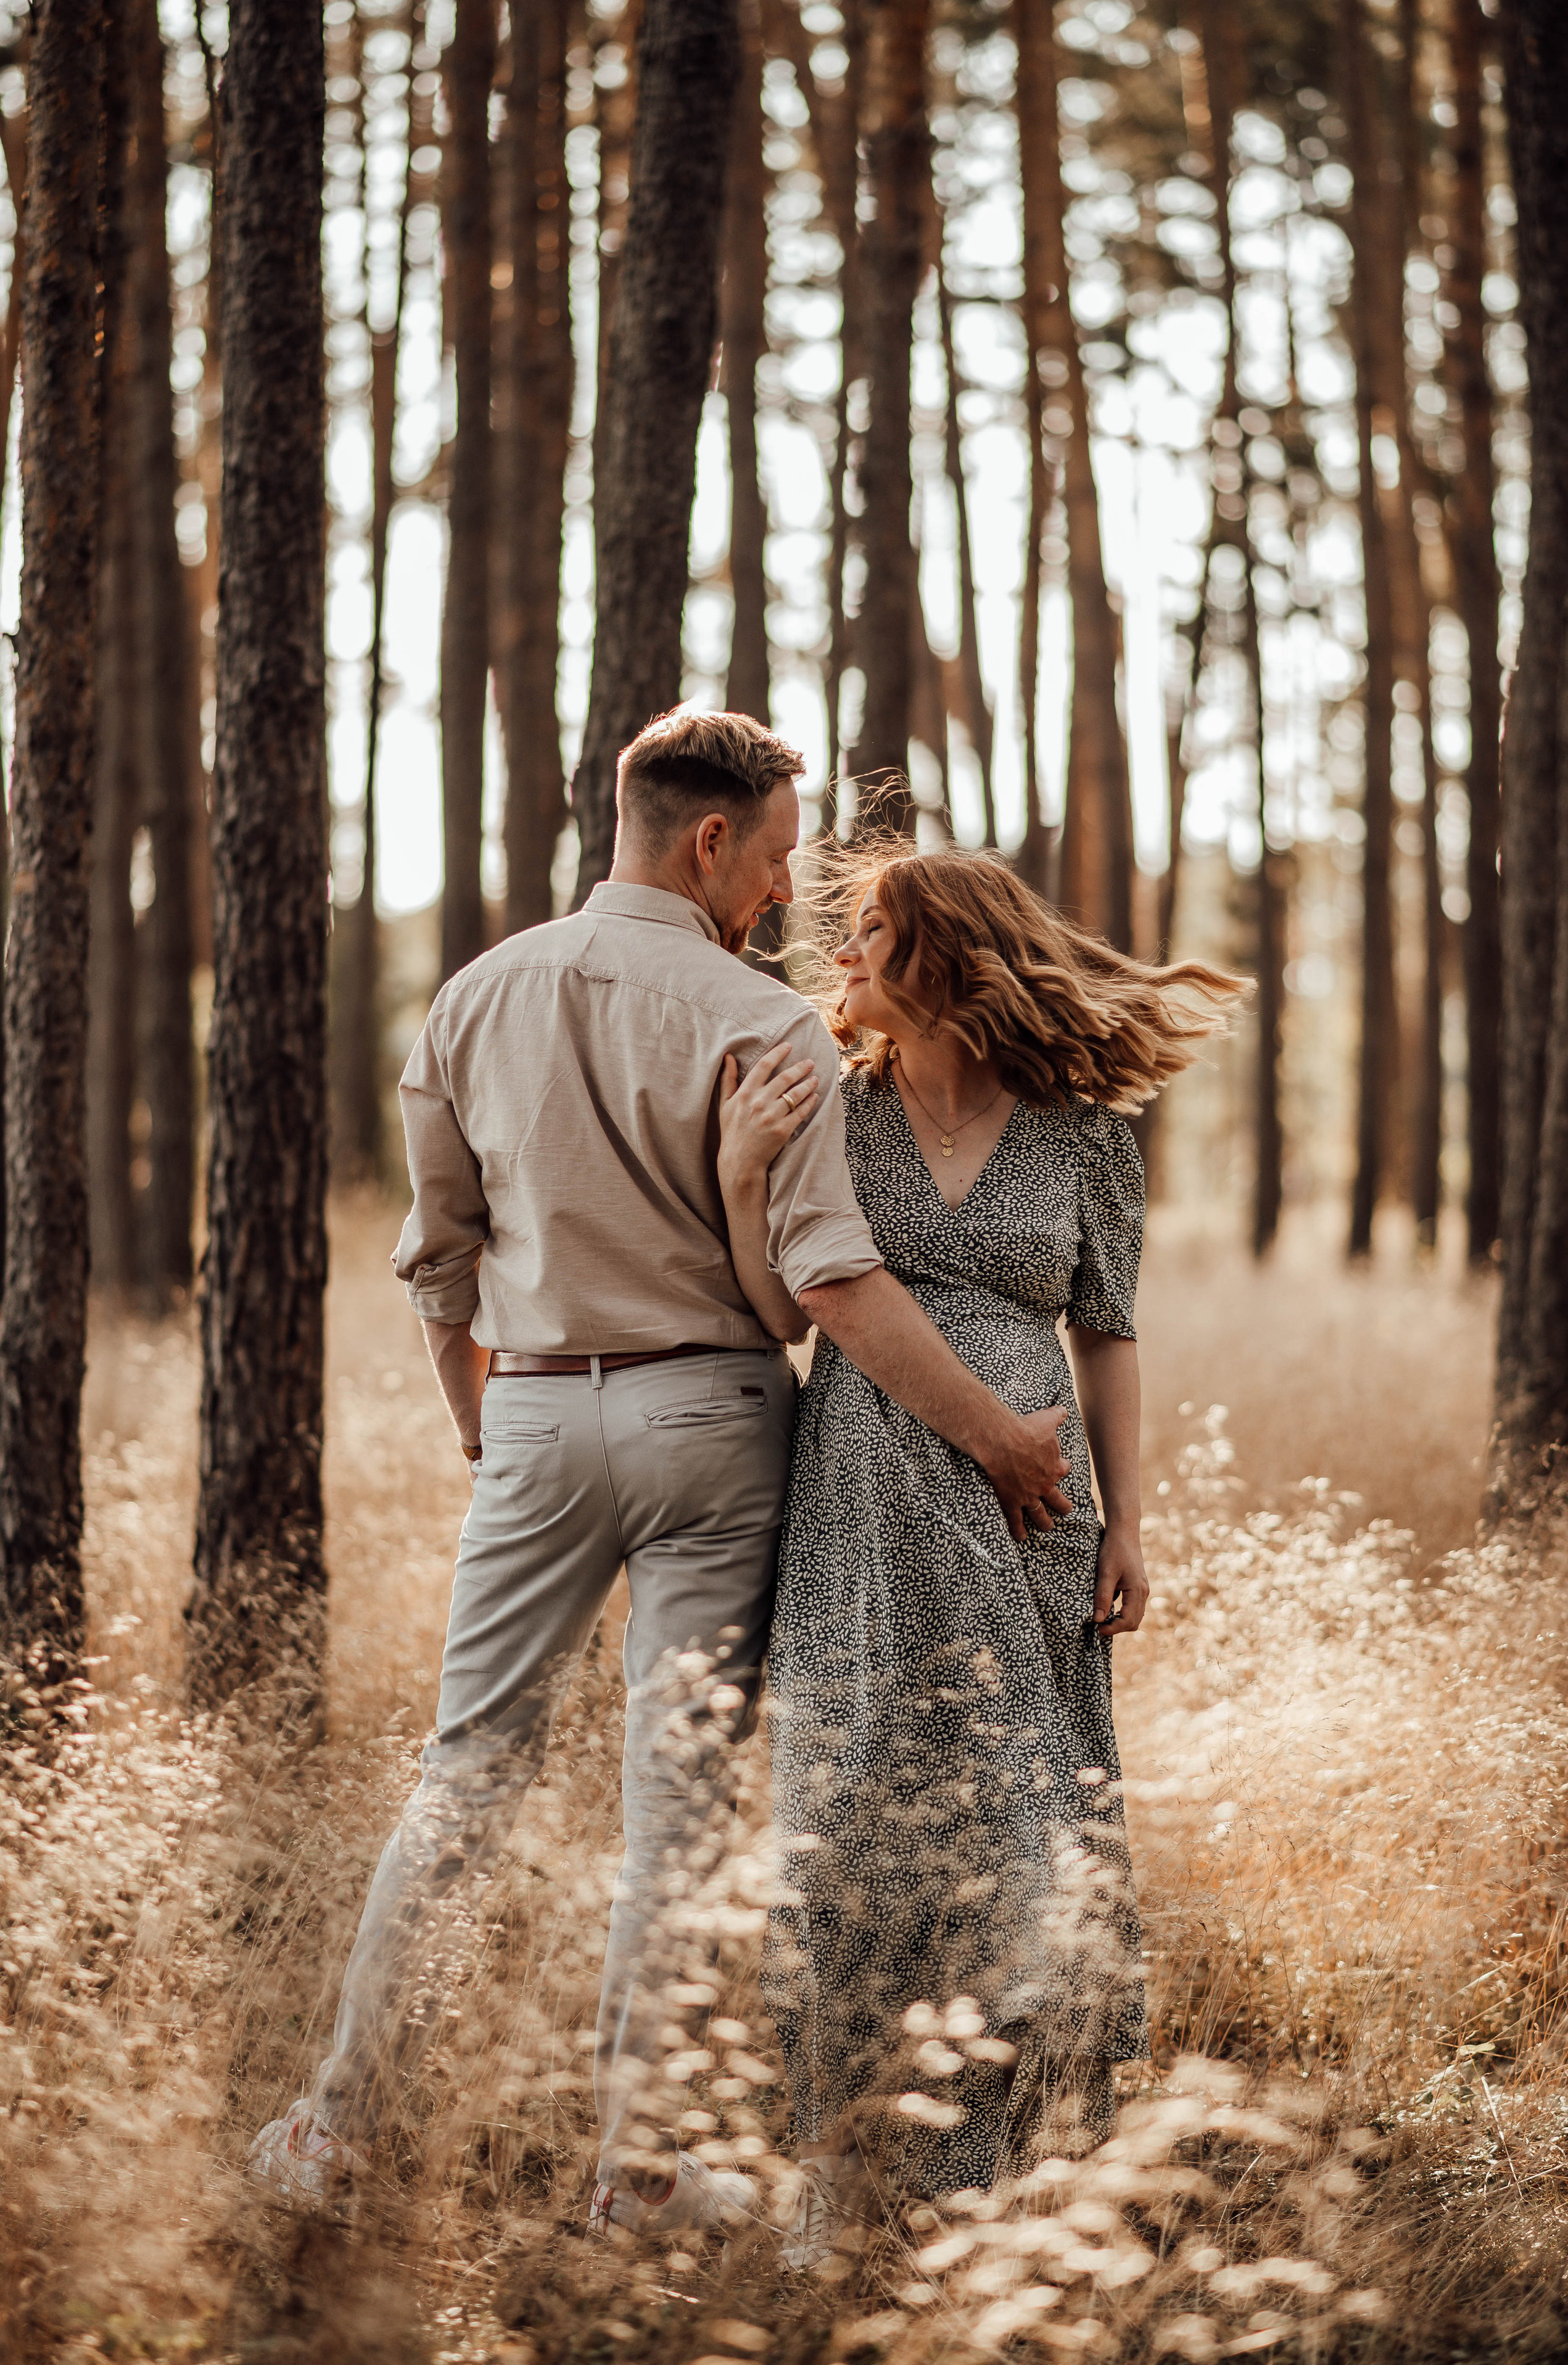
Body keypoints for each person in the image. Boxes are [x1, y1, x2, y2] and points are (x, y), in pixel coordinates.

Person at [247, 712, 1076, 2235]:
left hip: (537, 1417)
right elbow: (826, 1274)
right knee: (675, 1810)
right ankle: (632, 2175)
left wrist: (486, 1430)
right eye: (770, 861)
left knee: (465, 1775)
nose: (777, 897)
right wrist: (1002, 1435)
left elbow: (437, 1262)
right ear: (708, 842)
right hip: (714, 1427)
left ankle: (332, 2135)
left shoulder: (474, 998)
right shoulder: (760, 1026)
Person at [716, 844, 1244, 2264]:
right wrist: (743, 1164)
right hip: (864, 1502)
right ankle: (833, 2174)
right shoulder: (832, 1104)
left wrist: (1126, 1519)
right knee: (847, 1826)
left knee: (1022, 1825)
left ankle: (991, 2176)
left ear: (946, 953)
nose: (841, 948)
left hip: (1030, 1514)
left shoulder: (1080, 1129)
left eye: (872, 928)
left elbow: (1107, 1330)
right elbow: (781, 1307)